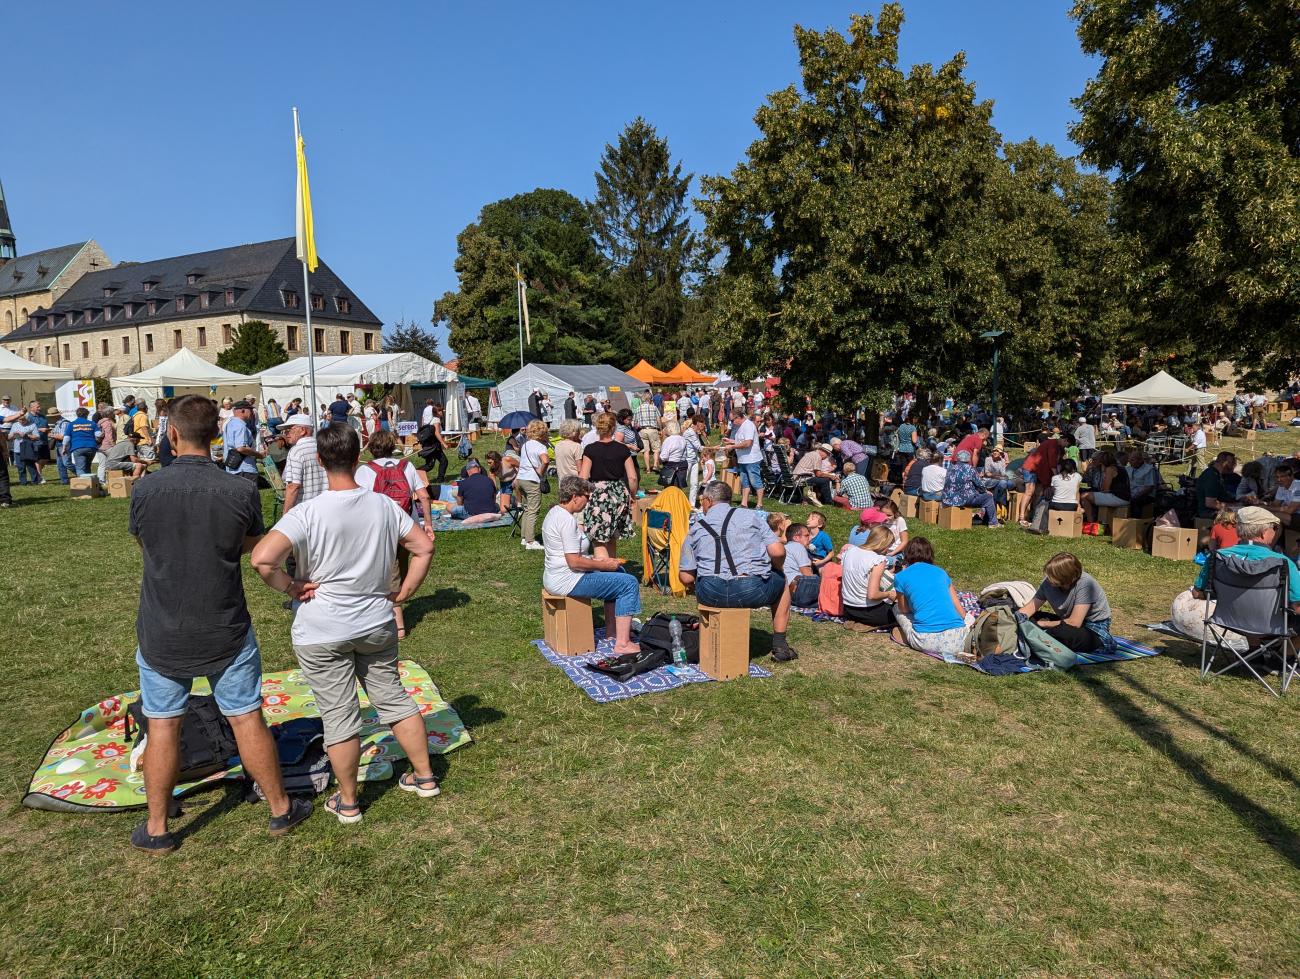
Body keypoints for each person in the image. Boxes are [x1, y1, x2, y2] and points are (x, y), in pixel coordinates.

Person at [128, 394, 312, 854]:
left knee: (163, 723)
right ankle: (278, 808)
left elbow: (145, 545)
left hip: (163, 624)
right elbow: (251, 544)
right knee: (245, 715)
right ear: (216, 435)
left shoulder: (146, 489)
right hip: (223, 621)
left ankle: (157, 826)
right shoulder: (240, 490)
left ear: (171, 434)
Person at [251, 423, 439, 826]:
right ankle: (424, 776)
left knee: (339, 715)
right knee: (393, 697)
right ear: (358, 459)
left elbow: (262, 559)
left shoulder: (307, 512)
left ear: (319, 461)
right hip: (374, 622)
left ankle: (349, 800)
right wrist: (403, 591)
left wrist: (289, 586)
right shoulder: (383, 505)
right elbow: (423, 546)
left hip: (322, 629)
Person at [677, 481, 799, 662]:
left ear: (709, 501)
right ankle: (780, 646)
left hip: (710, 592)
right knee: (782, 583)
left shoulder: (696, 528)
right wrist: (777, 569)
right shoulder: (752, 517)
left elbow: (686, 577)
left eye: (702, 500)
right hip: (751, 589)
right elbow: (778, 551)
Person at [542, 476, 643, 653]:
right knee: (628, 583)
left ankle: (613, 632)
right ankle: (623, 644)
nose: (588, 502)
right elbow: (573, 561)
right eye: (587, 497)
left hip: (557, 576)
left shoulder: (554, 514)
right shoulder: (566, 520)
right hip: (568, 580)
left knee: (618, 573)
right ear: (575, 496)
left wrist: (597, 561)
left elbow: (569, 555)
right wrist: (604, 566)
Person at [355, 429, 435, 639]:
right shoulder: (406, 466)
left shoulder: (365, 471)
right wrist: (428, 524)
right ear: (392, 446)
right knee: (401, 566)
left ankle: (398, 625)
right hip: (408, 525)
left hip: (380, 527)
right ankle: (395, 603)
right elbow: (424, 496)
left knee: (388, 573)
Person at [1017, 552, 1115, 653]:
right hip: (1065, 621)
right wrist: (1016, 619)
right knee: (1024, 615)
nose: (1048, 578)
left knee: (1063, 633)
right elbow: (1029, 608)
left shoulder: (1086, 584)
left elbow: (1074, 623)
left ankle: (1037, 636)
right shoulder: (1048, 583)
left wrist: (1043, 624)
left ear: (1067, 577)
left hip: (1091, 628)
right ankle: (1038, 636)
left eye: (1053, 575)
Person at [890, 537, 970, 660]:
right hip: (957, 640)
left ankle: (904, 635)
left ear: (907, 555)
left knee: (896, 608)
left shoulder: (901, 576)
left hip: (925, 641)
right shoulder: (941, 572)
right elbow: (961, 612)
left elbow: (904, 609)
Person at [579, 413, 639, 561]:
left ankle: (604, 575)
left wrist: (584, 495)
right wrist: (632, 495)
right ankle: (611, 570)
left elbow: (583, 477)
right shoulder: (622, 449)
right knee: (612, 534)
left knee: (599, 537)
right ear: (613, 428)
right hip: (618, 493)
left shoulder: (590, 449)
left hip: (598, 493)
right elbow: (632, 477)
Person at [841, 526, 898, 628]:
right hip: (869, 612)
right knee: (901, 611)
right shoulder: (877, 560)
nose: (888, 550)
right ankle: (868, 623)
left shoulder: (849, 552)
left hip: (848, 609)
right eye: (888, 546)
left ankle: (857, 622)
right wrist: (889, 594)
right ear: (882, 543)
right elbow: (872, 595)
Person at [513, 419, 552, 551]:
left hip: (521, 479)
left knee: (527, 509)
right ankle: (530, 541)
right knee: (534, 509)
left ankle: (524, 537)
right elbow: (545, 461)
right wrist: (541, 472)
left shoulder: (525, 444)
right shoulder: (541, 446)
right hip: (532, 480)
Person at [280, 413, 328, 513]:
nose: (286, 434)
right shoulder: (323, 447)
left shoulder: (296, 451)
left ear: (302, 431)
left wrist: (286, 515)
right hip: (325, 508)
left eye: (289, 430)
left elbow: (293, 486)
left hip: (304, 510)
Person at [941, 450, 1000, 527]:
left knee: (983, 496)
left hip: (947, 499)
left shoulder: (950, 468)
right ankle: (993, 523)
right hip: (963, 499)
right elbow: (979, 484)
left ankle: (986, 520)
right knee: (988, 497)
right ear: (968, 459)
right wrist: (985, 491)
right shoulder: (970, 469)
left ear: (958, 458)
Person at [723, 407, 765, 509]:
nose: (732, 422)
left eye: (732, 420)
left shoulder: (748, 426)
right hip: (743, 458)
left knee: (755, 481)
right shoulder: (741, 426)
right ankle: (744, 503)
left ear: (739, 417)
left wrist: (732, 446)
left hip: (752, 459)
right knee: (744, 481)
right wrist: (731, 441)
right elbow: (742, 441)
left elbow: (748, 443)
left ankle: (759, 504)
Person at [223, 400, 263, 483]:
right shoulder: (240, 425)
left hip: (233, 469)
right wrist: (259, 455)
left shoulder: (230, 423)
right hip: (244, 470)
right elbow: (241, 448)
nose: (252, 413)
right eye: (250, 410)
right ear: (243, 410)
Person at [783, 523, 821, 608]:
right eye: (806, 536)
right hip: (800, 589)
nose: (810, 539)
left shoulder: (786, 548)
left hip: (788, 593)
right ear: (796, 538)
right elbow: (807, 573)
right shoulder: (798, 546)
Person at [453, 457, 502, 522]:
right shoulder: (490, 480)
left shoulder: (463, 483)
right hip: (490, 511)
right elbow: (493, 498)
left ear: (468, 471)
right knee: (497, 505)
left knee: (450, 507)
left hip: (470, 514)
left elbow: (459, 503)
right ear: (479, 469)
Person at [1196, 451, 1237, 518]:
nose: (1233, 467)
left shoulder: (1216, 474)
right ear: (1225, 463)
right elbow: (1210, 503)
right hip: (1210, 513)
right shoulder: (1212, 476)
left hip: (1216, 511)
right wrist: (1233, 507)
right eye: (1232, 464)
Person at [418, 404, 450, 483]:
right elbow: (437, 433)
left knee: (442, 461)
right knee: (430, 465)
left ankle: (440, 479)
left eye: (442, 410)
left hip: (429, 444)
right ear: (436, 412)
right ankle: (414, 472)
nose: (442, 412)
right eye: (440, 410)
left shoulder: (429, 419)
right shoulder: (436, 419)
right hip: (433, 445)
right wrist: (443, 443)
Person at [65, 407, 99, 477]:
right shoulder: (92, 423)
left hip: (78, 447)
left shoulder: (71, 424)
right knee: (87, 467)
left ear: (77, 414)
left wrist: (64, 448)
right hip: (91, 447)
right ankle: (91, 484)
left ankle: (83, 486)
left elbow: (66, 438)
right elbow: (98, 434)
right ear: (86, 415)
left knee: (80, 468)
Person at [1126, 448, 1161, 515]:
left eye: (1132, 460)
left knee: (1135, 502)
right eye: (1129, 459)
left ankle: (1136, 522)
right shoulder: (1128, 468)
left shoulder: (1149, 469)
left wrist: (1135, 496)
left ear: (1140, 460)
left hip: (1145, 495)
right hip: (1131, 494)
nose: (1129, 461)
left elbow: (1148, 488)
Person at [633, 395, 662, 471]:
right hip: (653, 429)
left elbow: (635, 423)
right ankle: (655, 465)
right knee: (656, 449)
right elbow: (658, 419)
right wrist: (660, 429)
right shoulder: (654, 407)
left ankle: (648, 469)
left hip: (642, 430)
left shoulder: (638, 408)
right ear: (649, 399)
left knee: (646, 450)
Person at [658, 420, 689, 489]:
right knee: (678, 489)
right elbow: (685, 454)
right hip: (682, 467)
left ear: (669, 429)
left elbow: (664, 457)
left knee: (670, 490)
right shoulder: (682, 439)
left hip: (671, 467)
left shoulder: (669, 440)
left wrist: (658, 459)